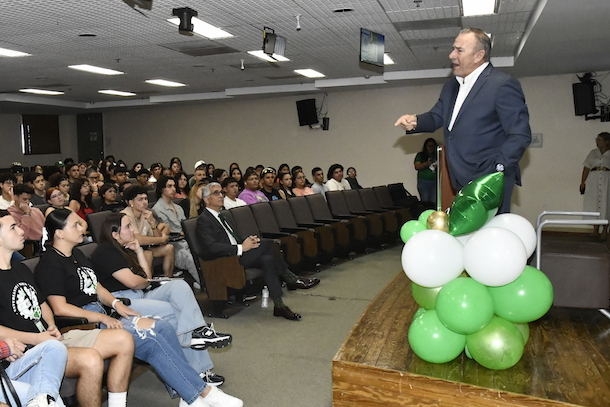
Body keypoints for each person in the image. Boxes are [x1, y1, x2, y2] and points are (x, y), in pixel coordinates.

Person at [36, 209, 243, 407]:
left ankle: (185, 395)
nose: (82, 227)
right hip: (84, 325)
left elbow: (97, 288)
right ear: (59, 234)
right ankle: (202, 392)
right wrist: (102, 318)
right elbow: (60, 308)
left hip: (104, 312)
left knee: (163, 327)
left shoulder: (77, 255)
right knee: (150, 337)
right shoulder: (50, 263)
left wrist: (116, 304)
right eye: (76, 224)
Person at [0, 210, 135, 407]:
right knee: (90, 359)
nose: (21, 231)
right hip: (22, 351)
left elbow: (42, 304)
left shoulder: (20, 268)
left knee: (123, 339)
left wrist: (51, 326)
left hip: (48, 341)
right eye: (13, 227)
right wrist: (38, 338)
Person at [394, 27, 531, 213]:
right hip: (460, 175)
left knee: (490, 236)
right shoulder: (451, 86)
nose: (451, 55)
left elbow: (520, 134)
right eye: (453, 49)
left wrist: (498, 169)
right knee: (469, 235)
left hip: (489, 177)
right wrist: (415, 121)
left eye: (459, 50)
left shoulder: (502, 84)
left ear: (478, 55)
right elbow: (436, 116)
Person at [90, 212, 231, 386]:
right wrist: (143, 281)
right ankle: (198, 369)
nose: (133, 229)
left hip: (139, 295)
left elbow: (145, 277)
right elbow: (134, 282)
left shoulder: (124, 249)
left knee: (179, 286)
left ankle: (197, 332)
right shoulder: (105, 251)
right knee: (175, 312)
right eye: (128, 226)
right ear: (115, 234)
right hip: (122, 303)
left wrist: (139, 251)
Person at [197, 183, 320, 321]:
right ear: (207, 199)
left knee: (268, 259)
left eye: (221, 192)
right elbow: (212, 247)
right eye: (216, 193)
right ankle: (291, 278)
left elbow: (234, 237)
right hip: (227, 261)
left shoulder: (223, 216)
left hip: (237, 254)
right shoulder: (204, 220)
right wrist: (241, 248)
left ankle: (279, 306)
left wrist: (249, 241)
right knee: (266, 244)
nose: (221, 195)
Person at [151, 176, 201, 287]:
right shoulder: (157, 209)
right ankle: (205, 283)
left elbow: (186, 225)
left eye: (174, 186)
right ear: (161, 189)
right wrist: (182, 234)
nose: (173, 189)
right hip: (174, 244)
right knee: (189, 257)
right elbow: (166, 231)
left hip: (187, 241)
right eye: (169, 186)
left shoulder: (178, 207)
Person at [120, 186, 175, 278]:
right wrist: (161, 239)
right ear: (130, 202)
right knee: (148, 254)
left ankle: (168, 279)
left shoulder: (146, 214)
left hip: (143, 248)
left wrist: (153, 223)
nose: (144, 202)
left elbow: (157, 239)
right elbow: (138, 239)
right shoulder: (125, 215)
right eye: (140, 200)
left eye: (145, 199)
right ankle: (148, 284)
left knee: (169, 248)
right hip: (128, 250)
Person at [0, 338, 66, 407]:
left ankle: (42, 400)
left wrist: (13, 347)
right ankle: (42, 401)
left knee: (54, 347)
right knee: (40, 394)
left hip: (5, 368)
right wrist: (2, 349)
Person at [581, 132, 610, 240]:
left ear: (607, 142)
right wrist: (582, 182)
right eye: (596, 140)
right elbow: (586, 167)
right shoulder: (593, 153)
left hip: (607, 179)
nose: (597, 142)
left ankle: (605, 231)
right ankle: (595, 230)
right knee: (594, 203)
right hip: (594, 179)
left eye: (600, 140)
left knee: (606, 204)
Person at [414, 138, 439, 205]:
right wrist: (426, 163)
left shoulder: (438, 155)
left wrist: (438, 167)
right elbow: (417, 167)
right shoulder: (421, 155)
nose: (431, 148)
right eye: (429, 146)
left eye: (432, 146)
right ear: (425, 146)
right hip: (423, 182)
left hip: (435, 182)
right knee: (425, 202)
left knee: (434, 202)